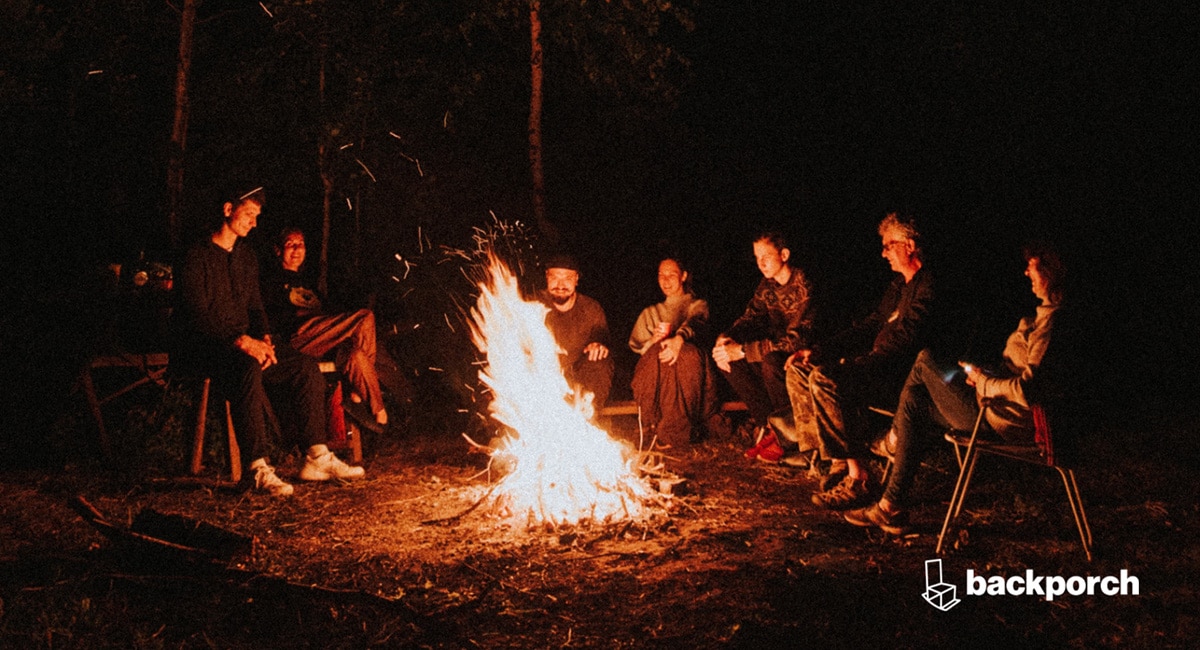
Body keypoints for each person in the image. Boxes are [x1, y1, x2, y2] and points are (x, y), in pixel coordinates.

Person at [843, 243, 1066, 533]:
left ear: (1051, 271)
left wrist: (984, 382)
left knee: (925, 360)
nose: (1026, 272)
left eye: (1032, 265)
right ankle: (891, 506)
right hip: (993, 406)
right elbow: (1018, 373)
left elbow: (1028, 390)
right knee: (915, 400)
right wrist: (984, 373)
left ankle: (894, 439)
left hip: (1003, 419)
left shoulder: (1052, 322)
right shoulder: (1042, 315)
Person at [175, 187, 365, 497]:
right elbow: (198, 314)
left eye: (256, 217)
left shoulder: (245, 256)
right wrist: (242, 342)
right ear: (227, 210)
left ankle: (316, 456)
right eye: (248, 214)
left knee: (304, 366)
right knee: (247, 365)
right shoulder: (196, 255)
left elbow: (255, 308)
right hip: (206, 346)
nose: (253, 223)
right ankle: (257, 468)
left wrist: (263, 337)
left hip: (243, 342)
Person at [785, 213, 936, 510]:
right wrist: (818, 351)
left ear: (909, 245)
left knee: (826, 379)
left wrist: (861, 363)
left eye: (889, 245)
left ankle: (860, 478)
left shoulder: (929, 286)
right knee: (801, 371)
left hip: (897, 375)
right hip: (874, 366)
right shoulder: (898, 287)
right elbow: (869, 325)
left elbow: (907, 338)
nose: (884, 253)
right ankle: (839, 462)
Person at [261, 227, 408, 433]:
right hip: (297, 338)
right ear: (278, 251)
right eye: (290, 244)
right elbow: (277, 317)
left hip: (322, 339)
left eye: (301, 244)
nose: (297, 249)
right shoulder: (271, 281)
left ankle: (374, 411)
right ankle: (360, 397)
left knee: (355, 355)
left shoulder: (309, 283)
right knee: (365, 317)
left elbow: (329, 313)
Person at [712, 232, 815, 453]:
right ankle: (767, 424)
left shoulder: (804, 284)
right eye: (757, 257)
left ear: (784, 254)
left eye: (766, 256)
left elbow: (796, 341)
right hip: (773, 353)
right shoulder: (767, 285)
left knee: (769, 361)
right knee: (728, 360)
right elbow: (751, 316)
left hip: (804, 357)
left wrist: (742, 350)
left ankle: (789, 434)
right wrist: (728, 338)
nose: (761, 263)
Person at [628, 257, 721, 446]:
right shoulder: (651, 313)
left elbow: (696, 321)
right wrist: (653, 341)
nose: (666, 280)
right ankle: (655, 422)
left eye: (672, 274)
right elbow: (637, 348)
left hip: (689, 373)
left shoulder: (697, 305)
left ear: (684, 276)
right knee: (657, 352)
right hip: (657, 374)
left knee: (687, 354)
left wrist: (679, 339)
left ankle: (675, 429)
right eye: (661, 275)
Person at [539, 254, 615, 411]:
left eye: (567, 278)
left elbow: (602, 340)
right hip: (541, 377)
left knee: (600, 361)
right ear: (547, 277)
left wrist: (598, 345)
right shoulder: (531, 305)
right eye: (555, 277)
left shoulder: (591, 309)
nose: (560, 284)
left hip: (578, 379)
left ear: (576, 279)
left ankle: (587, 420)